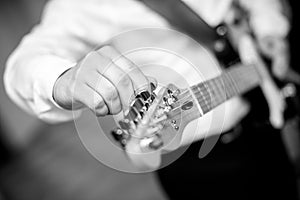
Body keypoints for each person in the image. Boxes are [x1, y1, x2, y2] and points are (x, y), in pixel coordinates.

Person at [3, 0, 297, 199]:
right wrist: (62, 80)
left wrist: (269, 27)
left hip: (261, 115)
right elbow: (24, 64)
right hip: (199, 158)